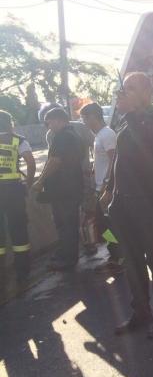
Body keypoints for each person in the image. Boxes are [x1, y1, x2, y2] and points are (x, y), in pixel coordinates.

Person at [102, 72, 153, 338]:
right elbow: (121, 162)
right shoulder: (126, 122)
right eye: (122, 90)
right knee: (132, 261)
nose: (122, 94)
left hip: (146, 204)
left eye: (129, 89)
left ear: (146, 92)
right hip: (123, 205)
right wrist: (110, 191)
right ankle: (141, 312)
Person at [34, 107, 86, 271]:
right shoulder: (75, 135)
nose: (49, 127)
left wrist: (40, 181)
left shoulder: (62, 137)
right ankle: (66, 254)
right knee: (68, 223)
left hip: (64, 190)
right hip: (72, 187)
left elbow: (54, 161)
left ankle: (68, 258)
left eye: (49, 123)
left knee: (65, 224)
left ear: (57, 120)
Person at [79, 103, 122, 274]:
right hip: (100, 186)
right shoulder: (98, 136)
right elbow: (104, 160)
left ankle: (119, 254)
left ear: (93, 117)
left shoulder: (107, 134)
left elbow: (114, 161)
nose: (84, 122)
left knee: (107, 224)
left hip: (106, 188)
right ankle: (116, 252)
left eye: (85, 118)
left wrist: (106, 184)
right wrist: (94, 170)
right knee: (103, 225)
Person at [0, 110, 35, 288]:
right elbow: (31, 162)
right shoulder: (18, 140)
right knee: (18, 229)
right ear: (9, 123)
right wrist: (28, 184)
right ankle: (23, 272)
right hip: (13, 191)